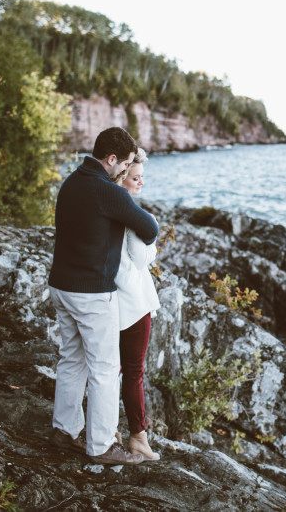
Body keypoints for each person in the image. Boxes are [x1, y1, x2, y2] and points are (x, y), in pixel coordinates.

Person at [47, 127, 159, 465]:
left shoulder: (71, 182)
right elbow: (150, 230)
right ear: (110, 159)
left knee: (72, 360)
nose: (125, 171)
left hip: (61, 285)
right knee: (106, 370)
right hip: (92, 292)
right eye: (124, 164)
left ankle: (63, 431)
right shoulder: (109, 193)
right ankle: (101, 446)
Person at [112, 148, 161, 460]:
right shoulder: (132, 214)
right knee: (133, 371)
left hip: (110, 297)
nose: (141, 183)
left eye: (143, 177)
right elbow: (141, 258)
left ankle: (107, 429)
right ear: (122, 177)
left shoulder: (105, 208)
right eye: (135, 177)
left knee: (107, 369)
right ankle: (138, 437)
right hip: (134, 301)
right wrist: (154, 245)